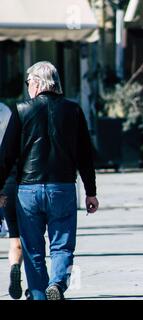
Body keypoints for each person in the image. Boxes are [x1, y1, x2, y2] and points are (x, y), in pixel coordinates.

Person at [0, 61, 99, 300]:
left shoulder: (21, 109)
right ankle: (57, 283)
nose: (28, 88)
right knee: (62, 245)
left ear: (35, 83)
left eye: (28, 83)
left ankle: (38, 294)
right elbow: (85, 154)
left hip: (28, 190)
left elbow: (6, 155)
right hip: (62, 187)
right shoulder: (73, 110)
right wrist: (90, 191)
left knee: (33, 248)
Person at [0, 102, 23, 299]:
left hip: (6, 186)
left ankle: (14, 265)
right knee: (28, 239)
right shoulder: (6, 112)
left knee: (14, 237)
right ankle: (35, 285)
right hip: (25, 184)